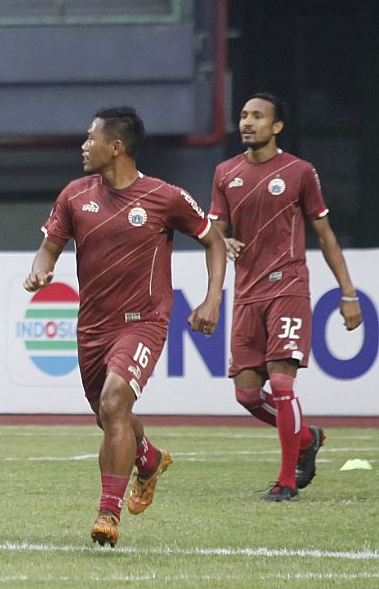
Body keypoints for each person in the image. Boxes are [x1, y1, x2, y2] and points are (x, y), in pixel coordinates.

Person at [24, 107, 225, 547]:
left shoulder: (164, 196)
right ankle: (149, 458)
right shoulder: (74, 196)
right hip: (92, 327)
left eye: (89, 137)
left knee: (115, 403)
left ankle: (107, 514)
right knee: (108, 416)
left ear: (115, 147)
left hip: (144, 321)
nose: (83, 145)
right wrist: (40, 271)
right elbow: (48, 249)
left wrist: (212, 299)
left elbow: (214, 240)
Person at [209, 93, 362, 502]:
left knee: (280, 382)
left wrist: (348, 294)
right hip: (246, 294)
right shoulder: (225, 173)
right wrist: (224, 242)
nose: (248, 122)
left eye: (258, 116)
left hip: (287, 286)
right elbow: (214, 235)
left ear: (276, 127)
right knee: (245, 393)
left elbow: (325, 236)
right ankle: (306, 437)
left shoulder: (299, 172)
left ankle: (286, 482)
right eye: (243, 115)